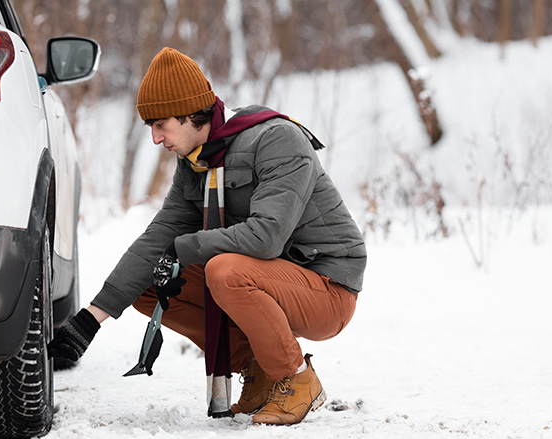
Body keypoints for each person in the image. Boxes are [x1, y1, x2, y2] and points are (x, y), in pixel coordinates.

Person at [48, 47, 367, 426]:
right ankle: (259, 370)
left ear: (189, 113)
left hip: (326, 287)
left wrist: (185, 247)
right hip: (270, 278)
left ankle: (295, 378)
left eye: (160, 124)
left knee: (224, 270)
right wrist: (91, 319)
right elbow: (160, 237)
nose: (155, 138)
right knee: (154, 283)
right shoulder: (197, 161)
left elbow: (266, 238)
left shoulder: (276, 140)